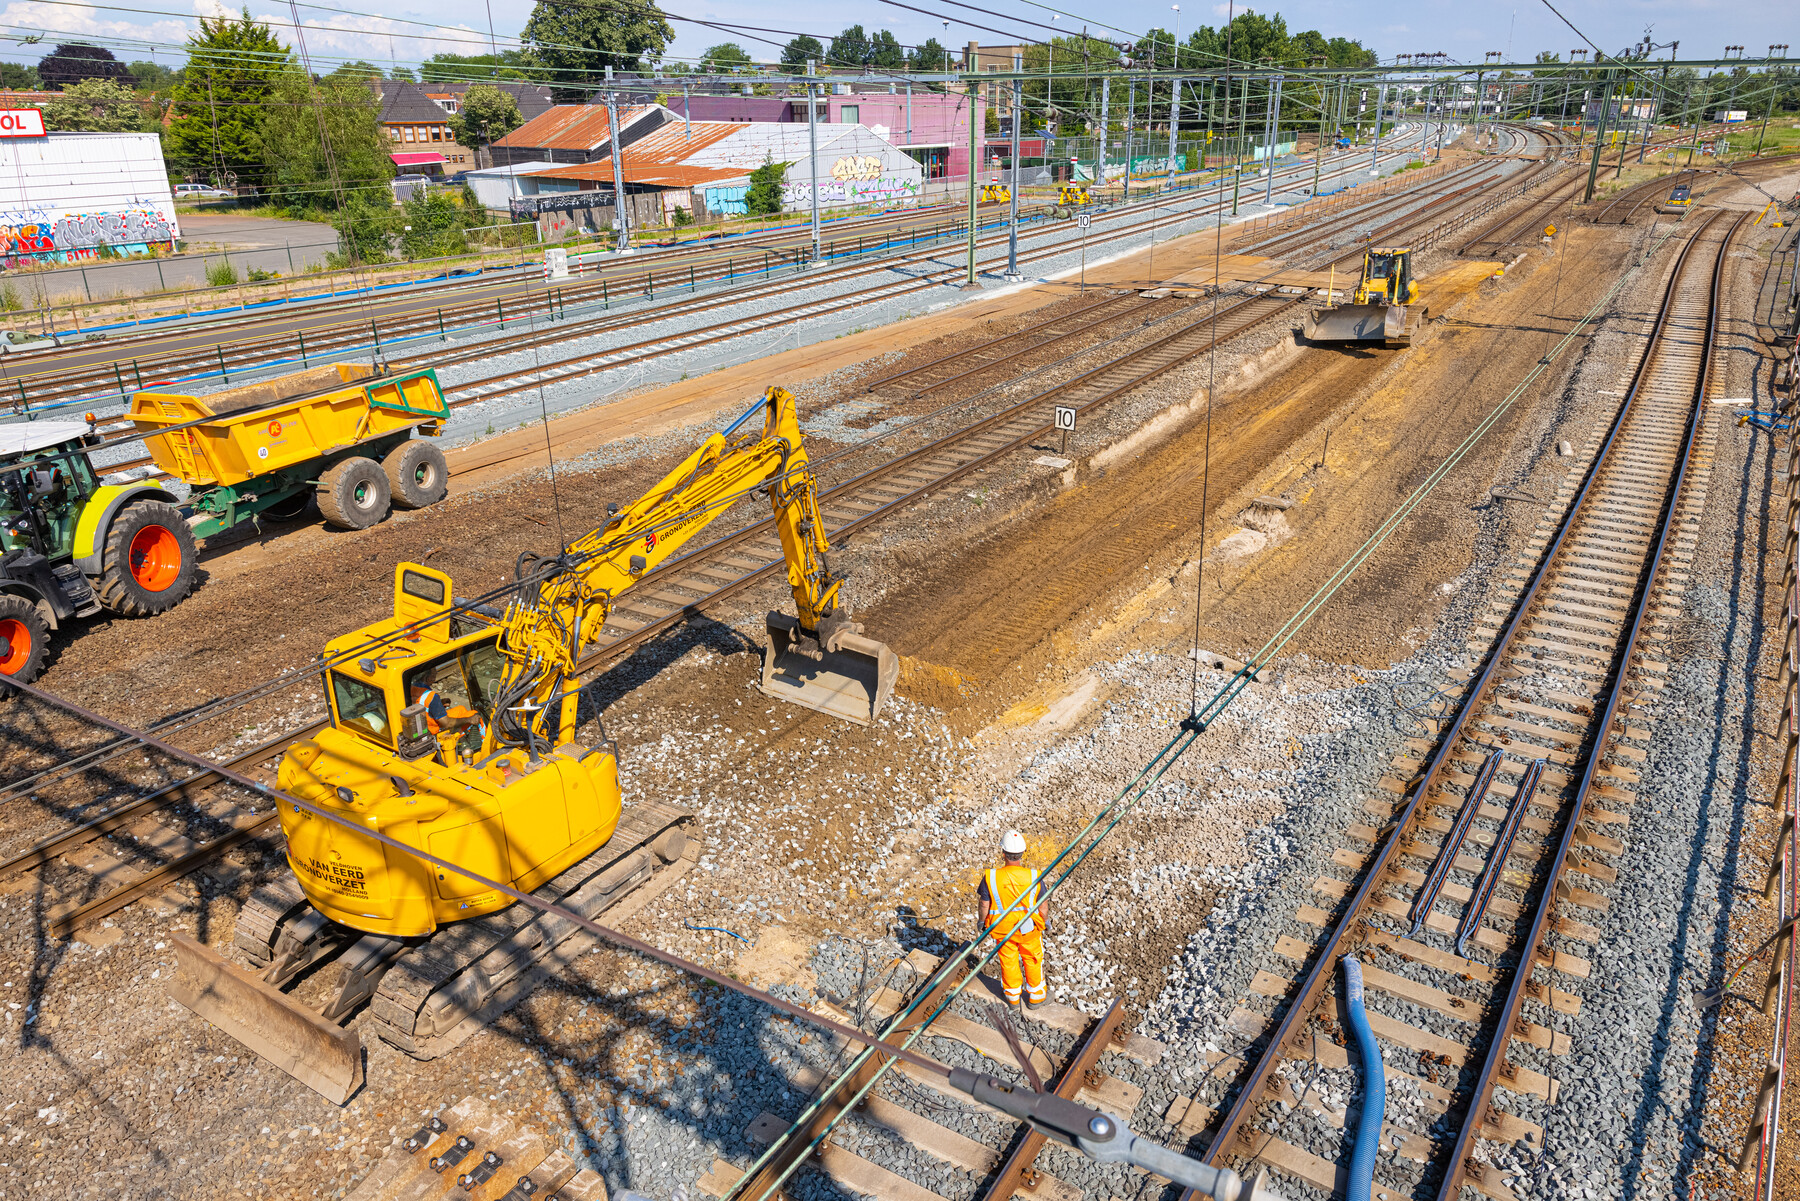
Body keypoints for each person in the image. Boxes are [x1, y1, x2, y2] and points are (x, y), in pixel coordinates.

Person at [977, 830, 1049, 1010]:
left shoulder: (991, 877)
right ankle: (1036, 997)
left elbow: (984, 904)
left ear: (1003, 853)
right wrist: (1044, 921)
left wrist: (981, 921)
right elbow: (1043, 905)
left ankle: (1013, 998)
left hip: (1003, 928)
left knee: (1008, 960)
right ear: (1023, 853)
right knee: (1032, 958)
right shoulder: (1034, 876)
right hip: (1029, 928)